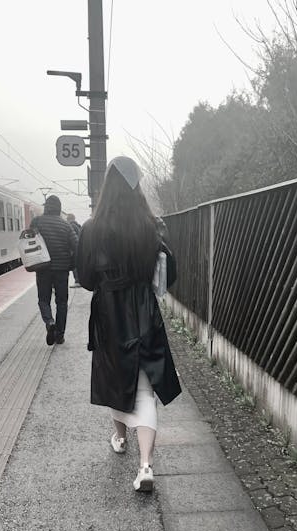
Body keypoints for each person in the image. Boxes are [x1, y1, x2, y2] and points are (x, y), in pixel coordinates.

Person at [77, 156, 181, 492]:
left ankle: (120, 439)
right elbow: (170, 275)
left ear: (107, 187)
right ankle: (146, 465)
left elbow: (86, 278)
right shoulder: (152, 226)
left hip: (109, 313)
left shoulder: (93, 228)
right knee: (144, 388)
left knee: (114, 376)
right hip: (144, 312)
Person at [30, 195, 78, 345]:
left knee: (43, 299)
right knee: (62, 302)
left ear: (46, 207)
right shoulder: (66, 225)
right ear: (59, 208)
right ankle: (60, 335)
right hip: (62, 270)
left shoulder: (37, 222)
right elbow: (77, 247)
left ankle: (49, 322)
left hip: (42, 268)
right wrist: (71, 265)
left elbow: (29, 241)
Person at [66, 213, 82, 287]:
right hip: (79, 248)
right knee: (77, 265)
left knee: (75, 266)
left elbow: (72, 239)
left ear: (69, 219)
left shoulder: (71, 226)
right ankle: (79, 281)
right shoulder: (78, 225)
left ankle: (77, 281)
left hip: (75, 249)